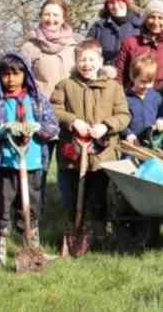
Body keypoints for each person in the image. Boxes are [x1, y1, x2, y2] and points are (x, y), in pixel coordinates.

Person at [0, 52, 59, 268]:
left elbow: (53, 127)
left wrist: (39, 128)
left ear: (25, 74)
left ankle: (32, 249)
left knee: (31, 209)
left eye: (16, 73)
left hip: (32, 164)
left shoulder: (38, 101)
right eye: (5, 74)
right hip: (2, 166)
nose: (10, 79)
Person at [51, 39, 131, 239]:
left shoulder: (113, 87)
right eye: (82, 60)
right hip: (73, 152)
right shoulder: (65, 85)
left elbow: (124, 115)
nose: (86, 64)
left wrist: (106, 126)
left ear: (101, 61)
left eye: (91, 59)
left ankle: (101, 232)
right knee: (73, 195)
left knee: (100, 196)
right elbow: (53, 110)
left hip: (102, 154)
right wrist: (73, 121)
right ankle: (76, 230)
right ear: (75, 61)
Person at [20, 0, 82, 213]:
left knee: (68, 168)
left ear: (63, 17)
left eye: (55, 14)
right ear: (41, 16)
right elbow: (21, 81)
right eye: (47, 14)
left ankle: (71, 212)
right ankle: (35, 213)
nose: (51, 19)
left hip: (69, 115)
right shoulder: (30, 46)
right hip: (40, 116)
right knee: (40, 167)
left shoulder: (75, 44)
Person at [115, 0, 163, 92]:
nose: (156, 22)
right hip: (132, 100)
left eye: (160, 18)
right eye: (152, 17)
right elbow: (119, 74)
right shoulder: (130, 43)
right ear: (145, 20)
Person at [120, 54, 163, 147]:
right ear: (133, 77)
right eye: (143, 82)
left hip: (153, 144)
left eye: (150, 82)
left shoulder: (156, 97)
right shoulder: (125, 98)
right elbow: (120, 120)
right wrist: (127, 133)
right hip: (132, 144)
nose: (146, 86)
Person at [86, 0, 142, 66]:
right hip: (105, 75)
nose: (116, 6)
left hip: (133, 75)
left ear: (126, 3)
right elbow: (86, 52)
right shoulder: (98, 27)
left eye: (119, 1)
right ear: (107, 6)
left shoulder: (140, 26)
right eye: (111, 3)